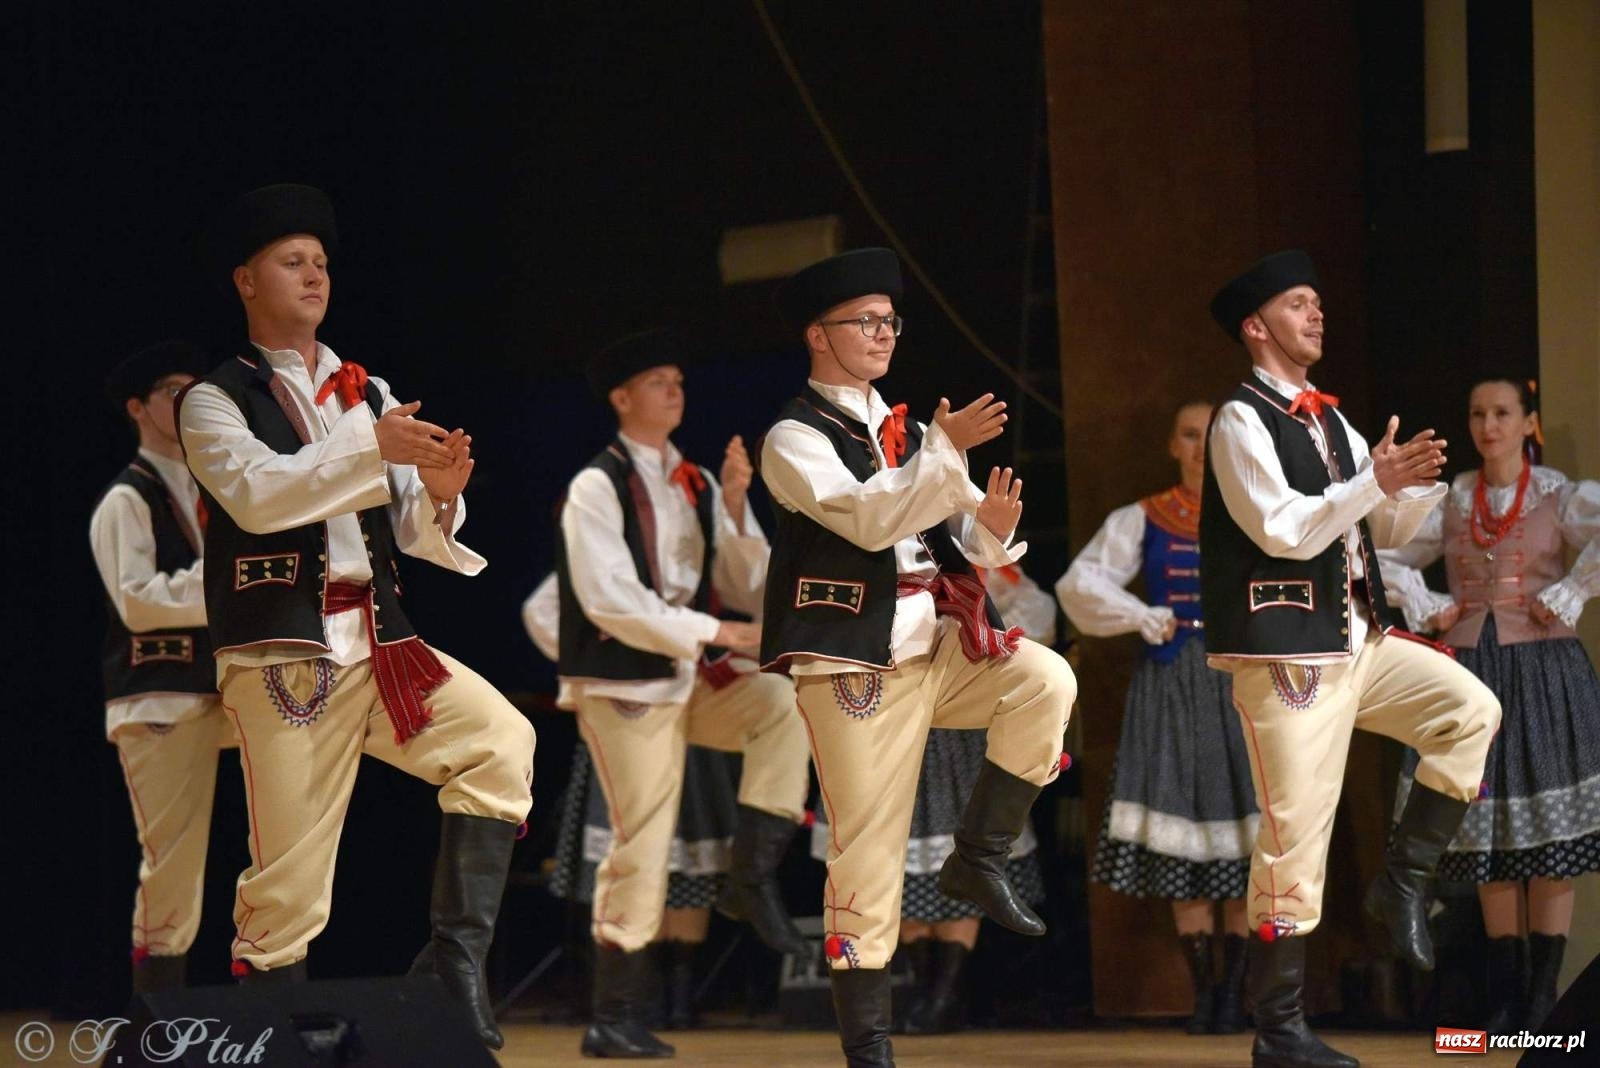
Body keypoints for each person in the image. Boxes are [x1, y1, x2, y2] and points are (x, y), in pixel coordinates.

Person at [178, 184, 536, 1048]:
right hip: (284, 654)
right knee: (291, 883)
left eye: (322, 263)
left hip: (382, 643)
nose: (313, 275)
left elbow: (409, 528)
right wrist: (369, 449)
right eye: (292, 262)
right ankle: (269, 1037)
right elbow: (261, 498)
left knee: (502, 744)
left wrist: (442, 497)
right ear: (245, 281)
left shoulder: (366, 389)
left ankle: (453, 966)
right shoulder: (212, 399)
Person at [760, 248, 1077, 1066]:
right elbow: (866, 521)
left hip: (937, 642)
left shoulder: (899, 429)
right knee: (866, 847)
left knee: (1045, 678)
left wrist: (993, 522)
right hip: (855, 661)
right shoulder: (794, 436)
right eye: (864, 321)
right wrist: (940, 450)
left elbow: (960, 533)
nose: (883, 333)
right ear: (818, 336)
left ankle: (979, 858)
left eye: (890, 321)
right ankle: (869, 1048)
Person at [1202, 250, 1501, 1068]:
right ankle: (1280, 1030)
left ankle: (1402, 880)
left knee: (1471, 710)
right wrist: (1374, 481)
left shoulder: (1328, 419)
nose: (1318, 314)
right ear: (1257, 327)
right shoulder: (1240, 420)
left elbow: (1381, 529)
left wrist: (1410, 489)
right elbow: (1281, 528)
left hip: (1359, 642)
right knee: (1295, 833)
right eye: (1301, 304)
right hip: (1290, 654)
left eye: (1320, 303)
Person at [554, 329, 812, 1059]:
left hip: (685, 678)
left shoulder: (696, 481)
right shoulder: (596, 486)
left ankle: (750, 875)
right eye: (658, 380)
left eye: (679, 379)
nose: (675, 389)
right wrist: (719, 634)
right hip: (623, 684)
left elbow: (745, 585)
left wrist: (733, 506)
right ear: (622, 397)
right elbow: (610, 599)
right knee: (642, 837)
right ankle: (613, 1013)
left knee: (783, 704)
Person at [1378, 374, 1600, 1032]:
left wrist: (1573, 591)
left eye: (1502, 412)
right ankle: (1506, 996)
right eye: (1478, 413)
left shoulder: (1559, 494)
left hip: (1543, 669)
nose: (1488, 425)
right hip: (1473, 671)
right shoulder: (1452, 498)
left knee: (1548, 838)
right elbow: (1384, 554)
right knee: (1487, 836)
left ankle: (1542, 998)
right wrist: (1425, 603)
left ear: (1528, 420)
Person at [1056, 401, 1258, 1034]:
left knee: (1246, 840)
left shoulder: (1257, 517)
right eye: (1192, 436)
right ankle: (1206, 993)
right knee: (1184, 835)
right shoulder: (1145, 516)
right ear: (1174, 444)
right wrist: (1142, 616)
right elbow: (1079, 584)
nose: (1201, 448)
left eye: (1213, 437)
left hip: (1240, 682)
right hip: (1172, 681)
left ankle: (1237, 996)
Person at [806, 565, 1056, 1036]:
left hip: (957, 725)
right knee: (892, 861)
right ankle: (922, 995)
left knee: (953, 848)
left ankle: (946, 996)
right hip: (890, 702)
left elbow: (1038, 620)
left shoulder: (976, 558)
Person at [523, 573, 746, 1032]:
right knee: (632, 843)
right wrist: (591, 663)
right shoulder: (607, 528)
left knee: (690, 847)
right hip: (626, 704)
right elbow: (541, 609)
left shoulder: (704, 520)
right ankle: (628, 1004)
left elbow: (750, 580)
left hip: (695, 702)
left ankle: (679, 1001)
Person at [92, 340, 229, 993]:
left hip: (218, 691)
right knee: (173, 861)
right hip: (159, 698)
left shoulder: (210, 488)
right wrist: (226, 585)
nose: (186, 401)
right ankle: (158, 1024)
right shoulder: (128, 497)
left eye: (192, 389)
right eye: (173, 391)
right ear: (138, 408)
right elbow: (138, 602)